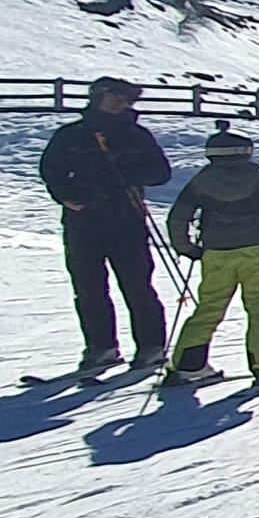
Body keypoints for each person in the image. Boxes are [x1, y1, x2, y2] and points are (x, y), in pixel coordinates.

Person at [37, 76, 173, 375]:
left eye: (126, 99)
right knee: (88, 287)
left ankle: (152, 347)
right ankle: (101, 348)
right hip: (83, 218)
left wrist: (130, 172)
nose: (120, 103)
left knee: (137, 285)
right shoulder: (71, 135)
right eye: (115, 97)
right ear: (98, 96)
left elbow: (161, 173)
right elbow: (51, 171)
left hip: (126, 217)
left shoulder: (137, 135)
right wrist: (67, 196)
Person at [161, 124, 259, 387]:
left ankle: (188, 366)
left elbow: (177, 217)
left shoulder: (201, 180)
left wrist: (186, 247)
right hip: (257, 252)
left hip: (215, 252)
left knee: (209, 307)